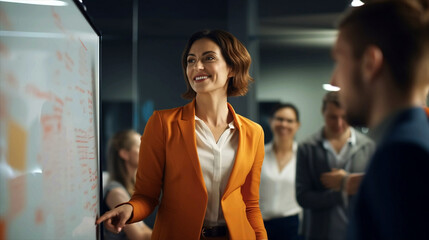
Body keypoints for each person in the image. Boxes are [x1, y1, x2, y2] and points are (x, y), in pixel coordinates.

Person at [96, 29, 268, 240]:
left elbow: (250, 205)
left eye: (209, 58)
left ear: (231, 68)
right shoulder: (162, 123)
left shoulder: (254, 132)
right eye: (191, 60)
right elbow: (146, 196)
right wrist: (129, 210)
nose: (197, 66)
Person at [330, 0, 429, 239]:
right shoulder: (409, 141)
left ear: (370, 63)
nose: (333, 81)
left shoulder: (402, 155)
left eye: (339, 60)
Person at [295, 91, 375, 240]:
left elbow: (375, 192)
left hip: (358, 232)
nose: (339, 124)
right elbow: (302, 197)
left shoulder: (368, 146)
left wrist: (347, 182)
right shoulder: (307, 147)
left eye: (344, 117)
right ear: (323, 113)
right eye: (332, 117)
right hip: (319, 233)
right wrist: (342, 192)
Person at [259, 103, 302, 240]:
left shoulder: (303, 156)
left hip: (292, 226)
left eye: (289, 121)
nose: (284, 124)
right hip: (260, 224)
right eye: (279, 119)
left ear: (297, 125)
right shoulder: (258, 153)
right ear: (271, 121)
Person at [102, 130, 152, 240]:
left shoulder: (130, 188)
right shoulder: (116, 192)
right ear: (124, 154)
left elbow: (143, 229)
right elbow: (139, 237)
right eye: (140, 146)